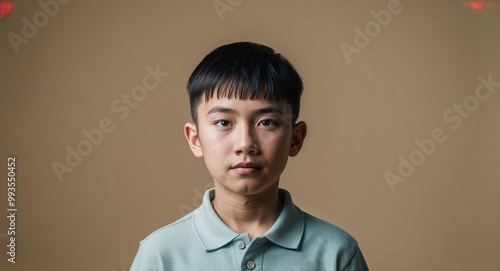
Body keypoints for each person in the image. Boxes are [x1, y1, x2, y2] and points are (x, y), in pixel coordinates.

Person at [130, 41, 369, 271]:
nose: (245, 144)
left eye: (267, 122)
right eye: (223, 122)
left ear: (296, 138)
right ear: (195, 139)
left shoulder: (337, 253)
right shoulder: (161, 254)